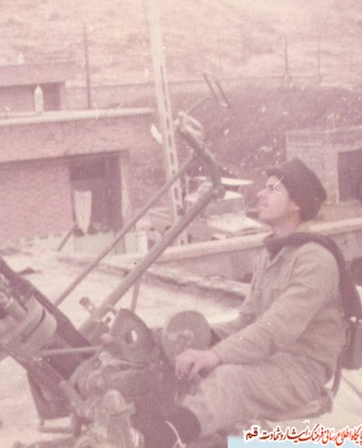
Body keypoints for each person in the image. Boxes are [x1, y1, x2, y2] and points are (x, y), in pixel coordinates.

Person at [132, 158, 347, 447]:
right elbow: (247, 320)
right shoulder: (271, 254)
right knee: (178, 363)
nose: (260, 194)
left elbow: (276, 330)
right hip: (271, 360)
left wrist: (214, 354)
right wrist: (198, 338)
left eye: (272, 189)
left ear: (296, 204)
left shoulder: (316, 259)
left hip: (301, 371)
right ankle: (152, 423)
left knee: (229, 379)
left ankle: (160, 438)